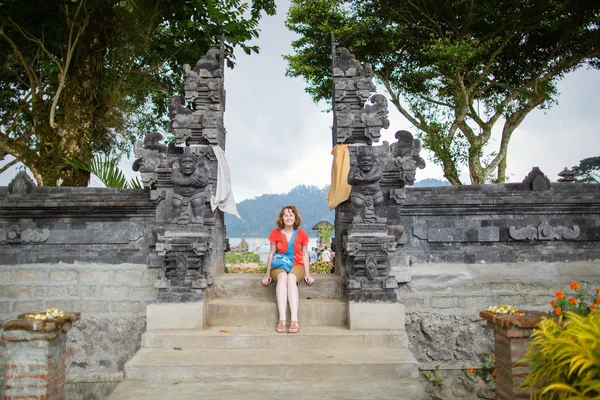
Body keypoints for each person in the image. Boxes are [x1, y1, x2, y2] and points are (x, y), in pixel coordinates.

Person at [261, 205, 314, 333]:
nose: (288, 217)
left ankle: (294, 320)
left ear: (295, 217)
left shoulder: (302, 234)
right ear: (282, 218)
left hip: (297, 265)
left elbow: (305, 254)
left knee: (291, 278)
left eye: (291, 215)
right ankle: (282, 320)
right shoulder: (275, 233)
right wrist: (267, 274)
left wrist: (308, 273)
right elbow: (271, 253)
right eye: (286, 215)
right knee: (283, 277)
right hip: (279, 265)